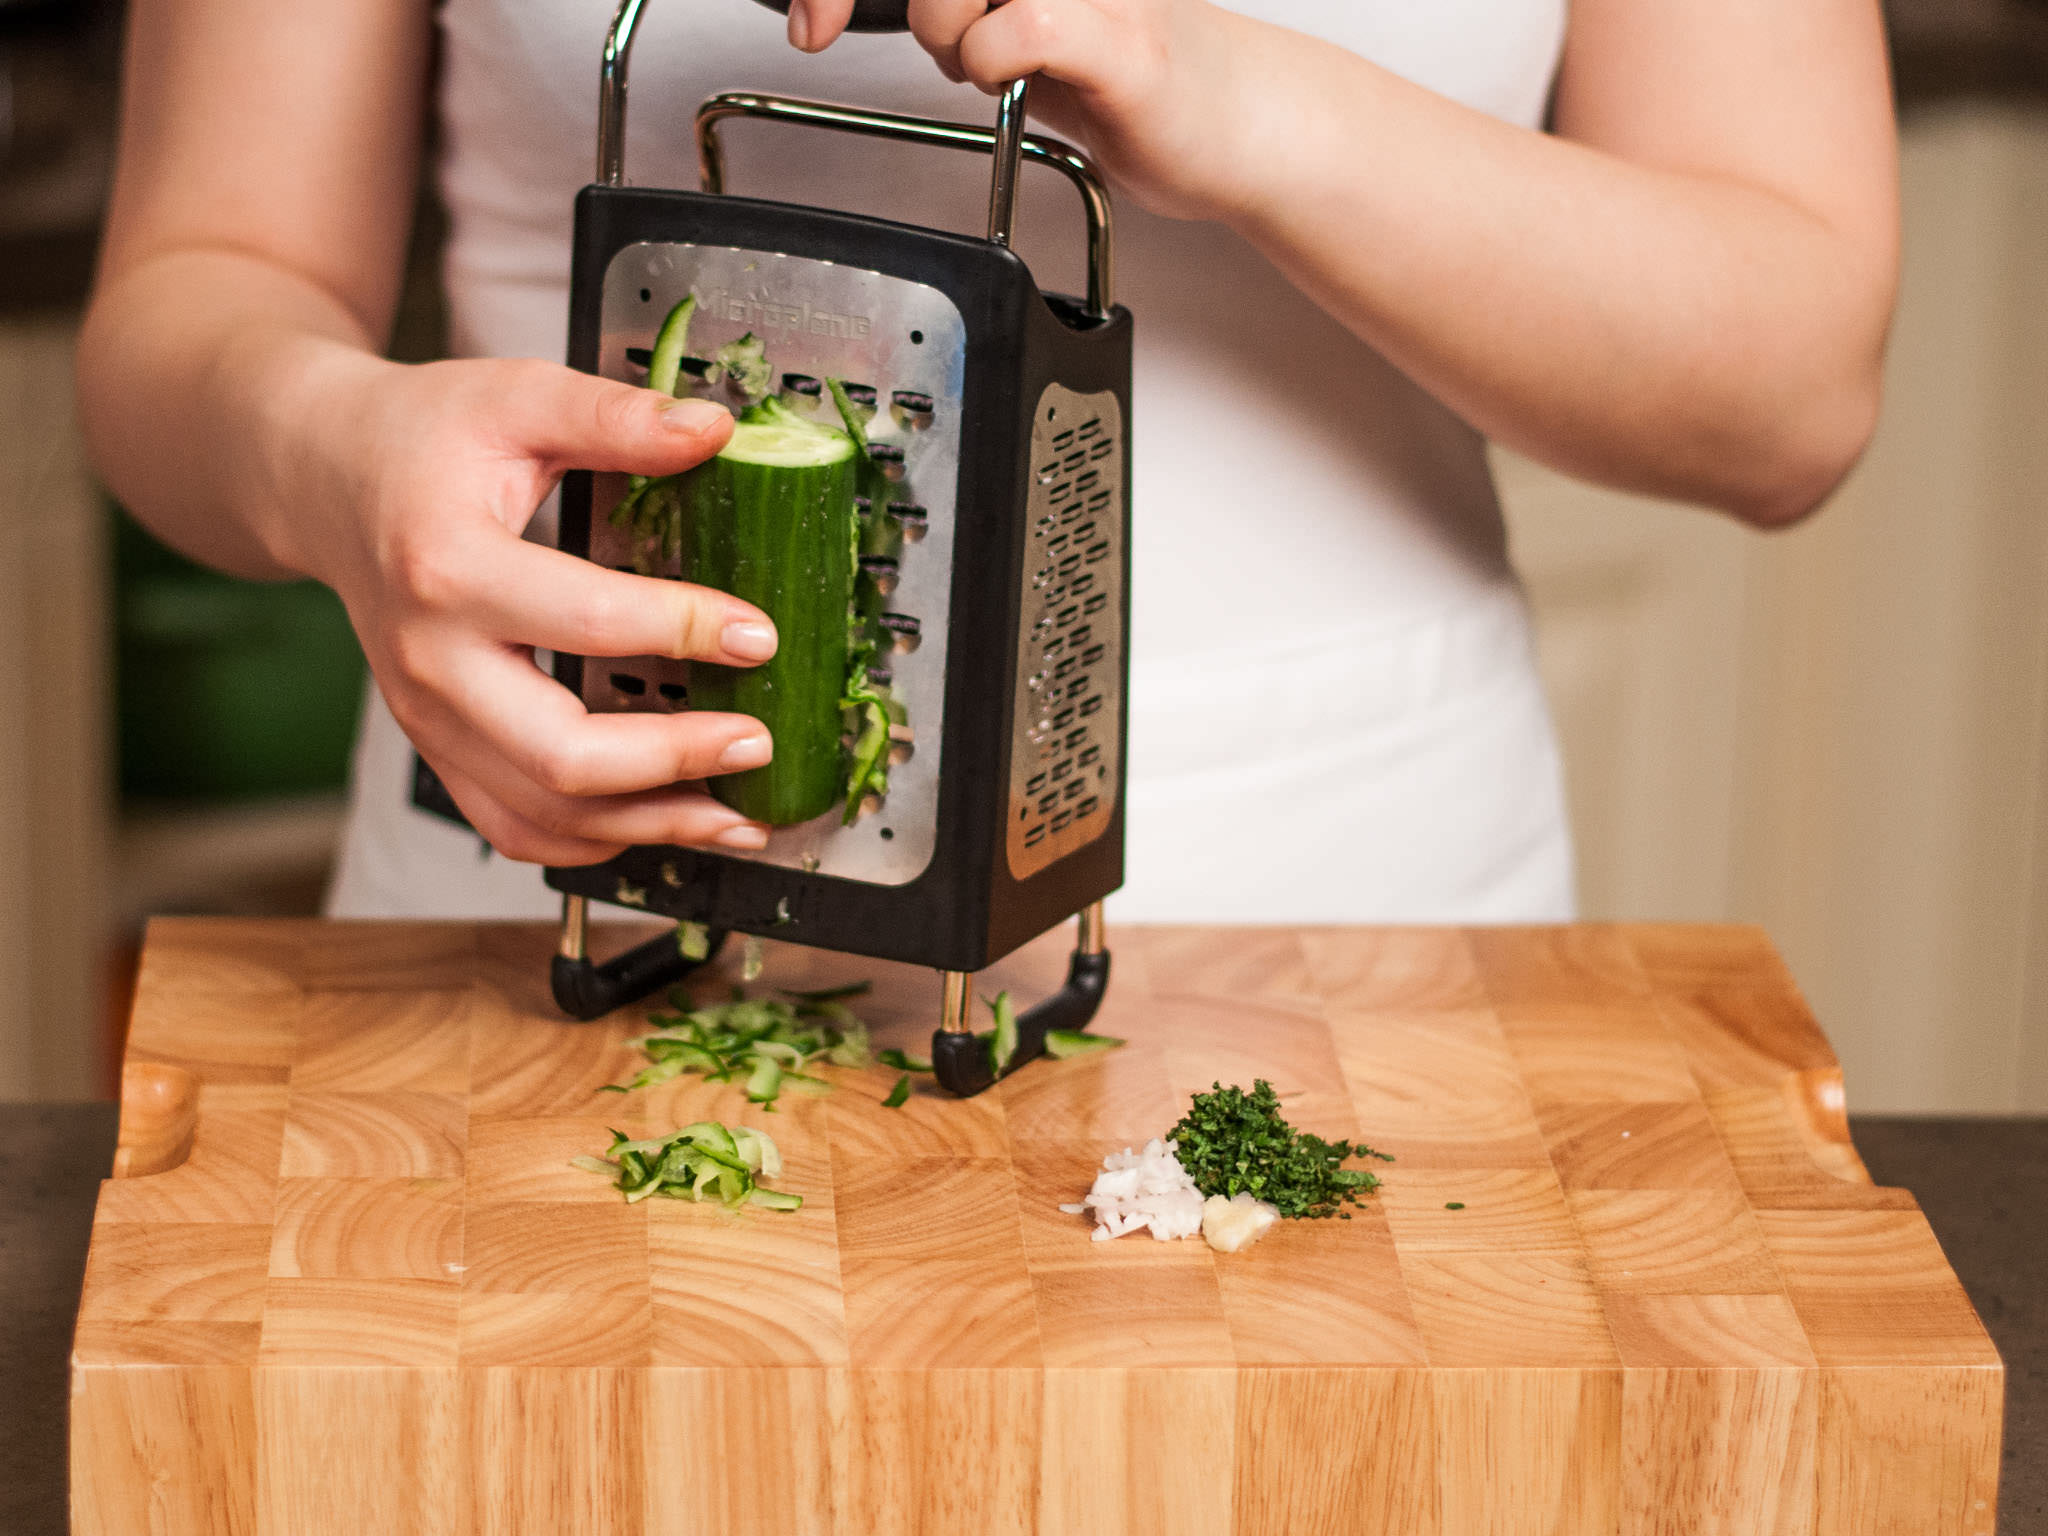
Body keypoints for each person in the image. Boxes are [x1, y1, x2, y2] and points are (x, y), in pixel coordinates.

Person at [76, 0, 1898, 924]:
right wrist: (326, 448)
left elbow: (1791, 391)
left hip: (1350, 920)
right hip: (541, 877)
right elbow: (189, 302)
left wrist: (1234, 89)